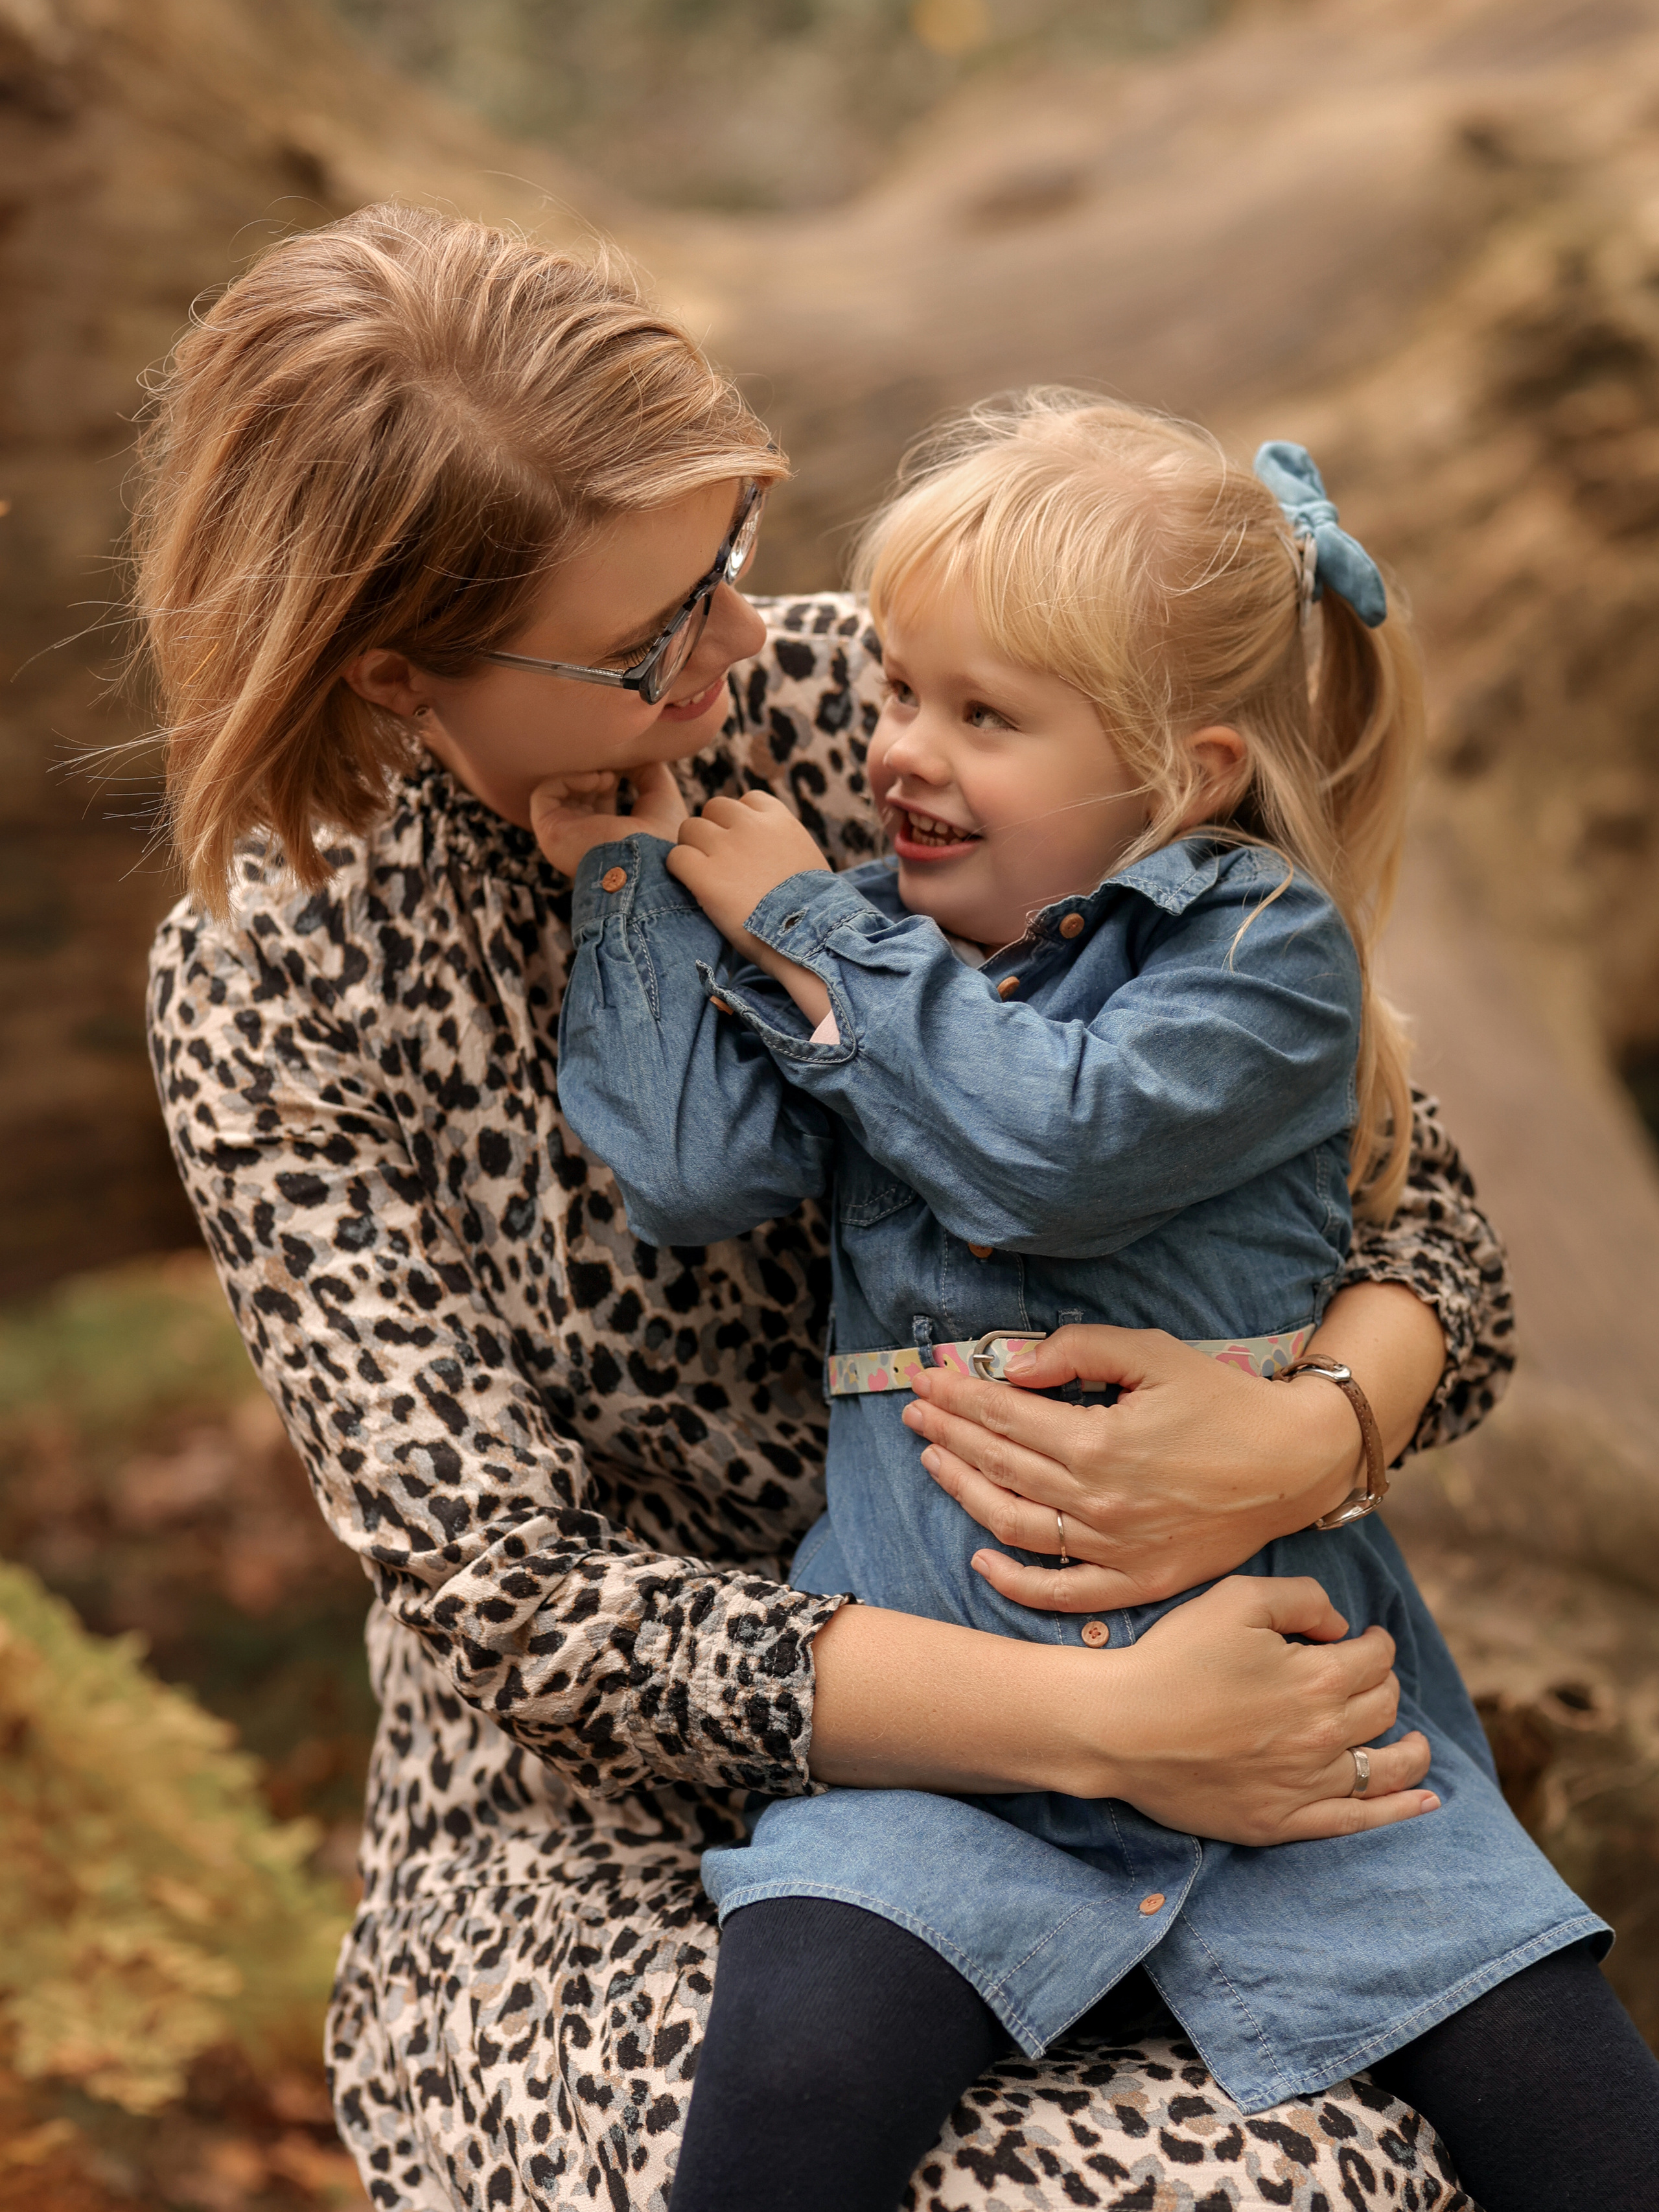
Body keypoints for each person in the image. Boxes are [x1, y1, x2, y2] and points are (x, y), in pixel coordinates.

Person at [132, 204, 1591, 2211]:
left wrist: (1297, 1433)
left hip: (1207, 1656)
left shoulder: (884, 706)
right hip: (631, 1804)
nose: (742, 647)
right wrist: (1108, 1724)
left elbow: (1419, 1226)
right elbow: (525, 1607)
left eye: (725, 562)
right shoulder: (266, 984)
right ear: (397, 670)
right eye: (654, 636)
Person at [540, 393, 1659, 2212]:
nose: (900, 750)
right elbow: (689, 1171)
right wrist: (627, 880)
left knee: (1577, 2113)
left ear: (1189, 775)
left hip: (1302, 1742)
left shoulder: (1257, 959)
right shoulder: (904, 983)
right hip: (950, 1753)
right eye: (901, 692)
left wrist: (815, 924)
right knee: (796, 2077)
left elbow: (1046, 1152)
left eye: (984, 717)